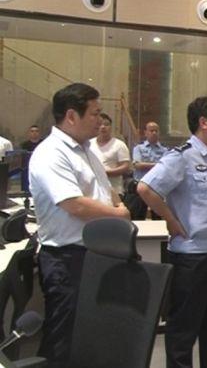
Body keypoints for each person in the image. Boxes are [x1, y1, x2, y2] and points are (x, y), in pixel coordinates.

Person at [29, 83, 131, 367]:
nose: (101, 121)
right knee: (66, 338)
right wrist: (120, 215)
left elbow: (104, 189)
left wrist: (118, 205)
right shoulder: (51, 153)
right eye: (95, 114)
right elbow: (74, 204)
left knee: (92, 337)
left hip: (96, 255)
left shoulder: (87, 150)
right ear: (72, 116)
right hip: (68, 259)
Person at [137, 96, 207, 368]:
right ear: (204, 123)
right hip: (192, 257)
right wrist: (170, 219)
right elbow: (146, 188)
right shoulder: (181, 157)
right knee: (184, 327)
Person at [128, 121, 168, 219]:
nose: (154, 133)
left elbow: (165, 168)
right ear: (145, 133)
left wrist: (146, 165)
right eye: (151, 130)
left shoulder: (165, 150)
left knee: (158, 217)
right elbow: (138, 165)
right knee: (137, 216)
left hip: (157, 187)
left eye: (156, 131)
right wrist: (157, 165)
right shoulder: (138, 148)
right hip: (140, 185)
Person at [89, 112, 131, 196]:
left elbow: (125, 167)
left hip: (113, 191)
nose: (103, 127)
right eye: (100, 124)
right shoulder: (89, 143)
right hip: (92, 191)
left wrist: (105, 173)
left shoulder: (119, 145)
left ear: (111, 127)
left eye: (106, 124)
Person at [20, 124, 44, 191]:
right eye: (32, 131)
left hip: (41, 169)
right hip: (28, 169)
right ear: (29, 133)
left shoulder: (43, 143)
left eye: (36, 131)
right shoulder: (24, 145)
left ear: (39, 133)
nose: (34, 133)